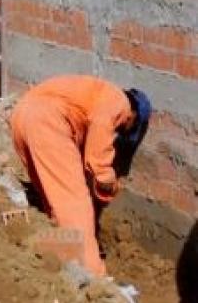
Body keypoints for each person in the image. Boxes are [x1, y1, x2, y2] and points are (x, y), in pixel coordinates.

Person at [10, 75, 152, 276]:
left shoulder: (97, 93)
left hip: (22, 117)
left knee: (55, 202)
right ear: (134, 116)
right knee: (75, 204)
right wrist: (105, 179)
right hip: (47, 121)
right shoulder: (119, 102)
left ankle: (59, 262)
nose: (120, 132)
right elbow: (98, 148)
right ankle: (93, 278)